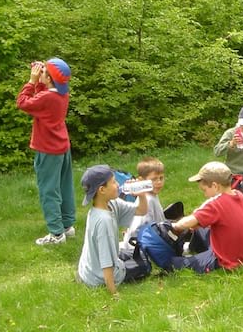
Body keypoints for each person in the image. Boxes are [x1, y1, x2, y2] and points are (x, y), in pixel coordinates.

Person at [16, 57, 76, 246]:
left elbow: (23, 103)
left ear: (49, 78)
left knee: (49, 190)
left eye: (43, 72)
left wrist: (32, 81)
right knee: (64, 186)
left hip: (48, 150)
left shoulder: (47, 97)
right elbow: (41, 99)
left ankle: (56, 234)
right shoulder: (61, 93)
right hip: (62, 146)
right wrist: (42, 79)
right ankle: (67, 225)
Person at [77, 165, 151, 296]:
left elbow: (142, 210)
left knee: (132, 253)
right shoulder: (103, 221)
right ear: (102, 190)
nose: (118, 184)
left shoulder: (111, 203)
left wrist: (141, 194)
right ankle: (108, 281)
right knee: (145, 265)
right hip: (98, 277)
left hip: (89, 269)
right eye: (114, 182)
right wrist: (113, 293)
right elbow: (106, 263)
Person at [170, 161, 243, 273]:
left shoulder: (215, 204)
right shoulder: (239, 194)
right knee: (201, 227)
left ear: (215, 186)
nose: (204, 194)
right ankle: (189, 249)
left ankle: (188, 257)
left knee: (173, 263)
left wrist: (173, 225)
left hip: (224, 262)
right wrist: (198, 223)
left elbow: (185, 224)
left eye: (205, 190)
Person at [119, 157, 167, 254]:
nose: (159, 182)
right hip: (139, 248)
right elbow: (136, 230)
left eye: (161, 178)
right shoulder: (147, 200)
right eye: (154, 179)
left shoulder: (152, 195)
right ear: (141, 180)